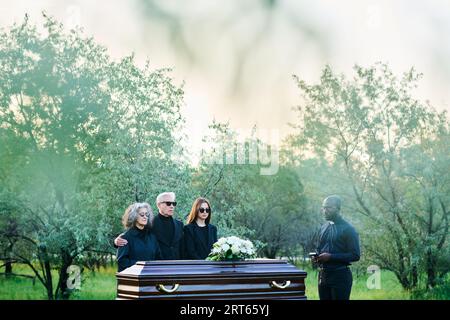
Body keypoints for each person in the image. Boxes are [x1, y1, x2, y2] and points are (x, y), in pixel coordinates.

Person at [311, 195, 360, 300]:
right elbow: (319, 248)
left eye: (328, 207)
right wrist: (317, 257)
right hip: (323, 276)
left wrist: (331, 257)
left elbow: (355, 255)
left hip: (340, 276)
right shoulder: (323, 227)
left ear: (338, 208)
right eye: (323, 207)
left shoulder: (348, 229)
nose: (325, 210)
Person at [115, 192, 184, 260]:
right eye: (168, 203)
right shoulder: (149, 222)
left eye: (174, 203)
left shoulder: (179, 224)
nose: (172, 206)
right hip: (157, 267)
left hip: (177, 266)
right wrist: (116, 241)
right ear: (158, 205)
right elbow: (133, 235)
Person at [117, 202, 161, 272]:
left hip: (150, 277)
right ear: (134, 216)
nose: (145, 217)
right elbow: (122, 261)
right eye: (142, 214)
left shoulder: (152, 237)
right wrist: (143, 266)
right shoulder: (126, 237)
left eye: (147, 214)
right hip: (132, 279)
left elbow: (158, 258)